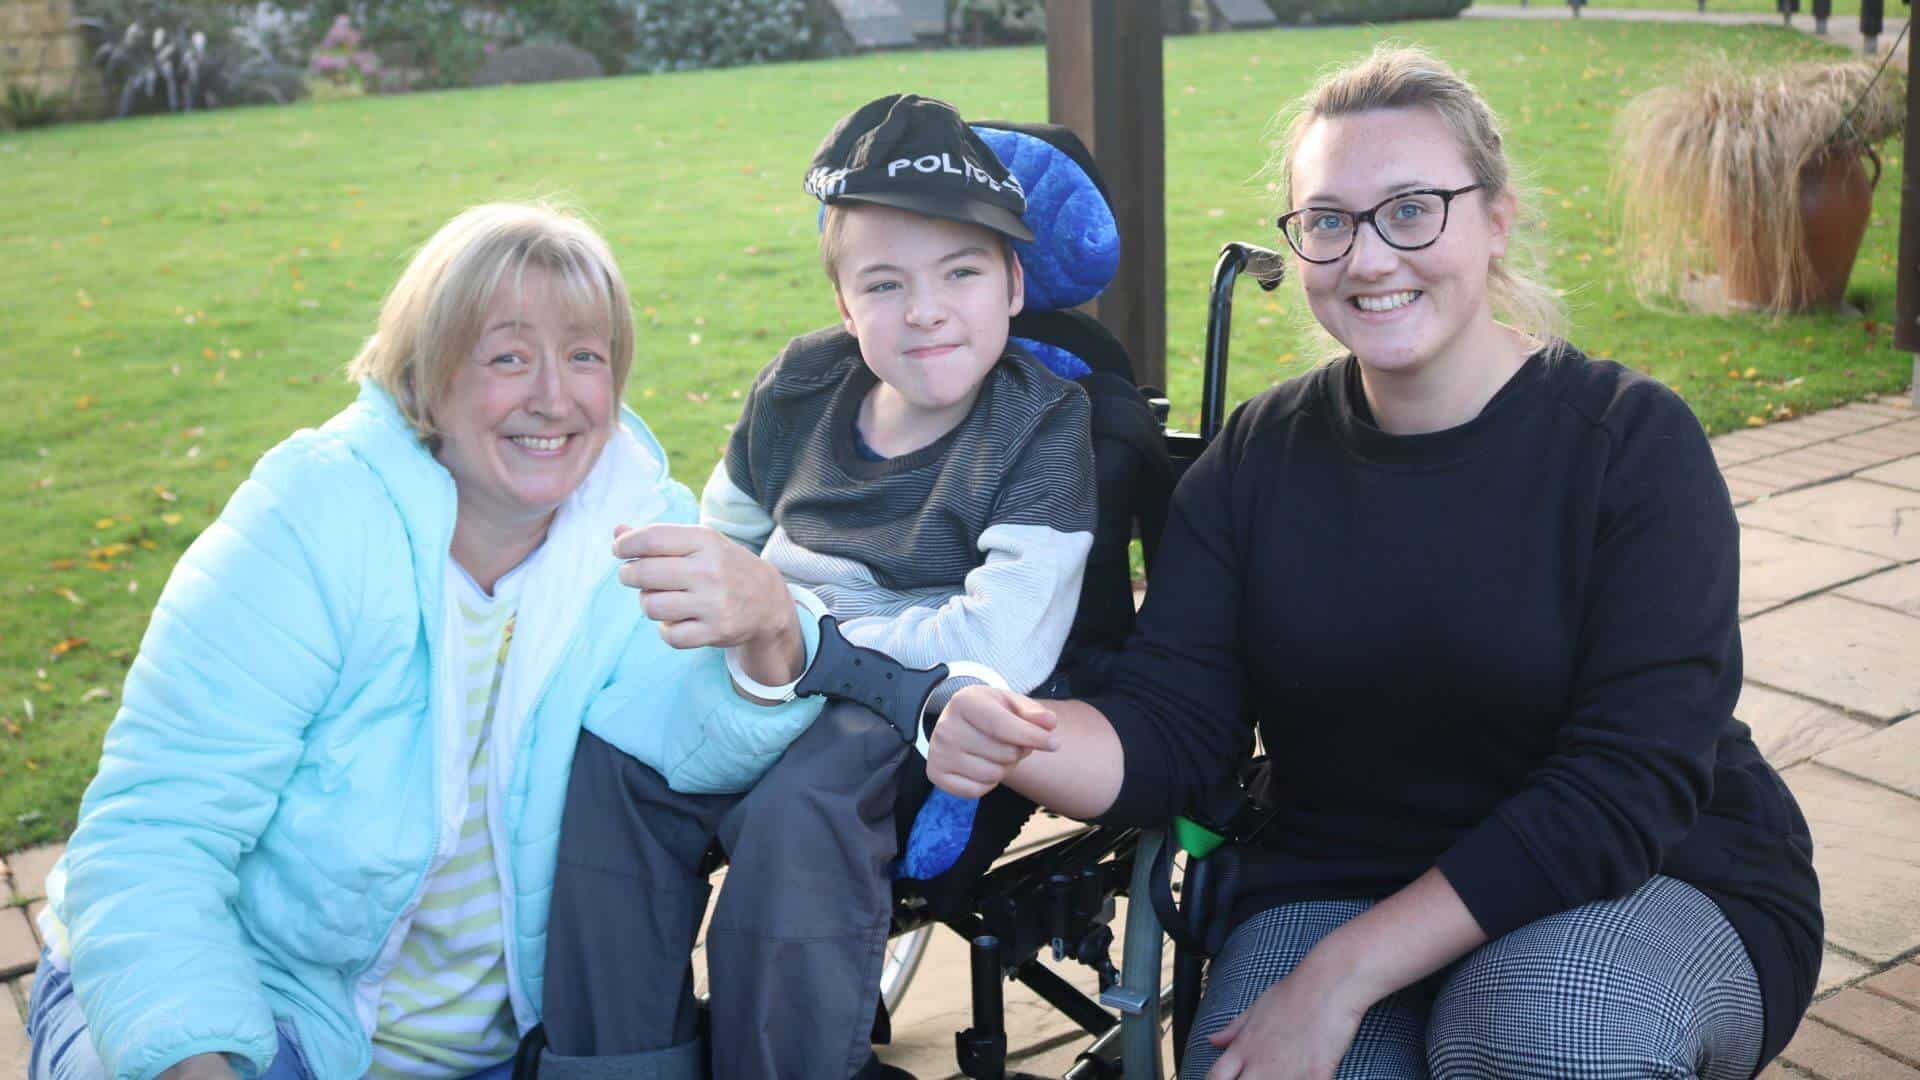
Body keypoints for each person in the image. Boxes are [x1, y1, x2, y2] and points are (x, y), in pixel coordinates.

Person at [926, 46, 1822, 1080]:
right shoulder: (1257, 460)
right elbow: (1176, 728)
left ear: (1496, 218)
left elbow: (1625, 787)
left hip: (1642, 877)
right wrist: (1002, 732)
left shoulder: (1630, 444)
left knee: (1539, 1033)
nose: (1368, 258)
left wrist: (1341, 974)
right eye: (1330, 223)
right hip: (1337, 873)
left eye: (1413, 209)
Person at [25, 202, 827, 1080]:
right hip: (245, 1008)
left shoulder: (631, 539)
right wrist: (195, 1058)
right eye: (508, 356)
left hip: (482, 1049)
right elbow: (155, 834)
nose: (554, 397)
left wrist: (771, 635)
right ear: (424, 377)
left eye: (586, 356)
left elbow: (693, 751)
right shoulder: (313, 520)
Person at [538, 94, 1096, 1080]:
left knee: (803, 811)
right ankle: (617, 1059)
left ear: (1013, 283)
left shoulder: (1042, 427)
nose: (923, 309)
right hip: (756, 663)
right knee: (611, 763)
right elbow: (725, 536)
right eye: (884, 284)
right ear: (843, 303)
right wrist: (712, 613)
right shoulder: (801, 385)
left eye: (960, 273)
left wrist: (805, 638)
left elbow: (1002, 647)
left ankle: (783, 1062)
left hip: (920, 697)